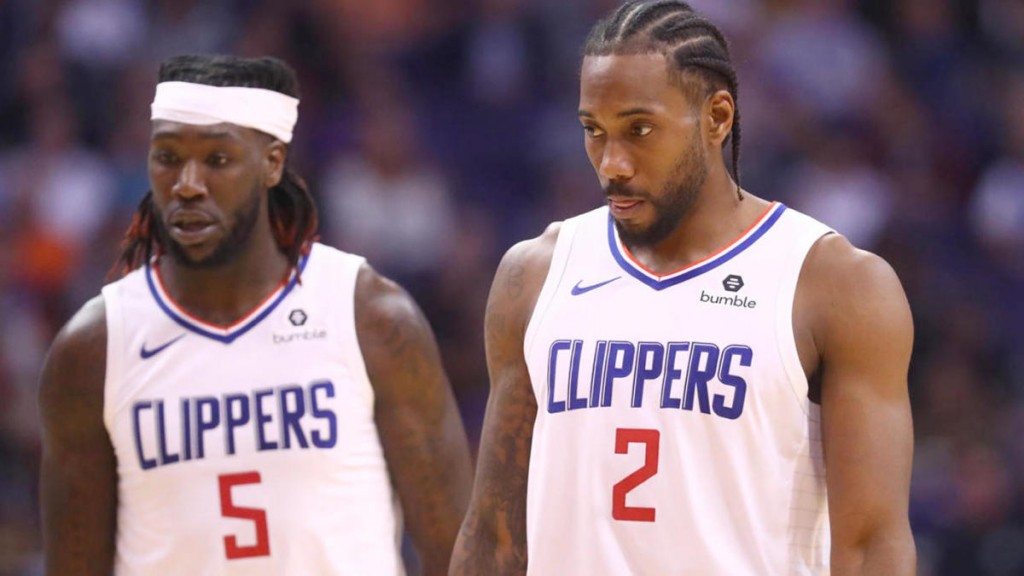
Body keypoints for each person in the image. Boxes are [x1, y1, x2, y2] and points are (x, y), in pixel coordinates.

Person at [450, 1, 915, 574]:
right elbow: (492, 535)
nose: (612, 164)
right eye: (594, 132)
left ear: (717, 117)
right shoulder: (536, 274)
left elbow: (872, 546)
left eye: (639, 130)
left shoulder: (834, 284)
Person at [38, 54, 473, 576]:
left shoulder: (370, 317)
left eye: (217, 159)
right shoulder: (94, 349)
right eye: (168, 157)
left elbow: (456, 553)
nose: (188, 183)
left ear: (272, 163)